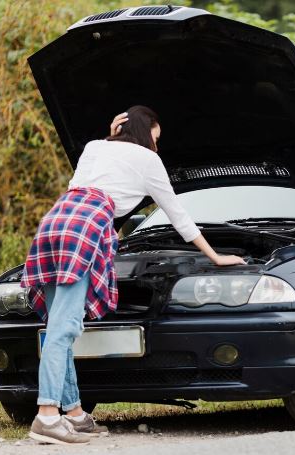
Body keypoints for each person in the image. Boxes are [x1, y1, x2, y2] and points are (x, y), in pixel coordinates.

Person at [21, 106, 245, 445]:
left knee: (58, 325)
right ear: (146, 132)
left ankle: (75, 415)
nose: (157, 145)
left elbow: (92, 177)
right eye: (156, 137)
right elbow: (177, 213)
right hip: (85, 225)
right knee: (64, 329)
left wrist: (108, 132)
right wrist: (214, 255)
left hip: (56, 219)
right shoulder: (148, 160)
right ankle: (47, 415)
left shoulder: (95, 147)